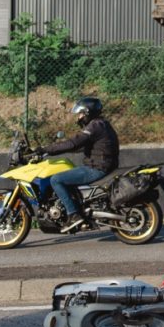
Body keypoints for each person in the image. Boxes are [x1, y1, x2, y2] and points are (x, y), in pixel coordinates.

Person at [38, 97, 120, 228]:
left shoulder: (95, 126)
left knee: (56, 180)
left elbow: (73, 143)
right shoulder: (102, 124)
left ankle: (74, 214)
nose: (79, 117)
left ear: (88, 112)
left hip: (97, 168)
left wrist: (44, 150)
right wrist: (53, 150)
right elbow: (79, 146)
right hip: (103, 165)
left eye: (81, 114)